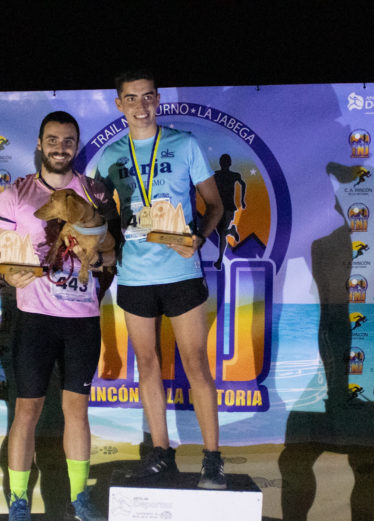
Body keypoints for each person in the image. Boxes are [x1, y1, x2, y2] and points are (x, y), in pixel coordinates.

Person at [0, 111, 117, 521]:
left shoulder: (95, 192)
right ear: (40, 143)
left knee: (77, 410)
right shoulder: (16, 193)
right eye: (53, 140)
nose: (61, 147)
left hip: (82, 319)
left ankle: (79, 497)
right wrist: (4, 274)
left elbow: (112, 252)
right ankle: (19, 502)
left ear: (77, 145)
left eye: (69, 140)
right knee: (26, 411)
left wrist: (100, 256)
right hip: (34, 318)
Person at [94, 69, 225, 489]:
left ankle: (212, 459)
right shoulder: (110, 156)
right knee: (147, 364)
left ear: (158, 98)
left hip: (180, 272)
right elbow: (99, 218)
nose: (141, 105)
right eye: (132, 98)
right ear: (120, 104)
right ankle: (162, 453)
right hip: (135, 275)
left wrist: (199, 239)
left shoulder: (184, 144)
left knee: (195, 363)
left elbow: (216, 205)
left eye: (148, 96)